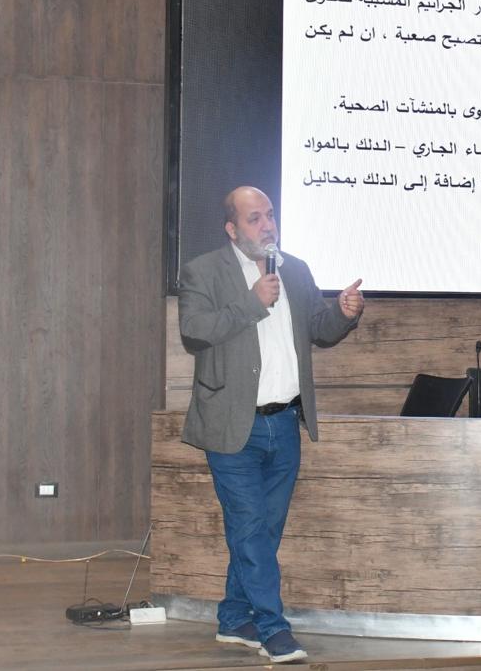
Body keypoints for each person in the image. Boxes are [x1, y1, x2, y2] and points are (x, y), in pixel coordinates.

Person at [177, 186, 363, 664]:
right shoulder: (203, 271)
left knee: (264, 530)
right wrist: (252, 302)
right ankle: (273, 629)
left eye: (270, 215)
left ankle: (232, 617)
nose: (267, 225)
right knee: (250, 528)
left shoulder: (295, 270)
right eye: (255, 218)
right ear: (232, 228)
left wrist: (342, 314)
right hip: (231, 426)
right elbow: (194, 333)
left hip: (284, 424)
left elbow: (319, 329)